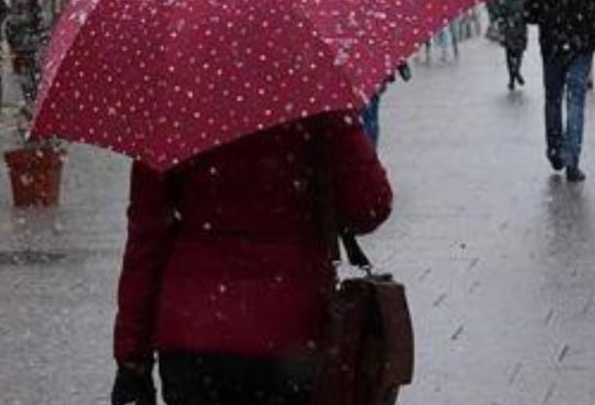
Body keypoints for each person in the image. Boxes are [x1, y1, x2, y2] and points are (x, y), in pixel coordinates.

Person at [110, 114, 393, 405]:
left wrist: (132, 359)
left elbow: (146, 242)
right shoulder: (315, 99)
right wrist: (340, 122)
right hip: (291, 336)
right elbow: (371, 207)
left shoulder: (172, 111)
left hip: (194, 336)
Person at [525, 0, 595, 182]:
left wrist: (550, 13)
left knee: (553, 100)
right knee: (576, 101)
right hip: (581, 47)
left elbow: (530, 14)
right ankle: (573, 159)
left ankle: (554, 150)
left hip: (552, 47)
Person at [496, 0, 528, 91]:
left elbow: (500, 11)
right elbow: (529, 12)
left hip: (509, 27)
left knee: (509, 53)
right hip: (520, 27)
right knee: (519, 52)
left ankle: (511, 78)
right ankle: (517, 71)